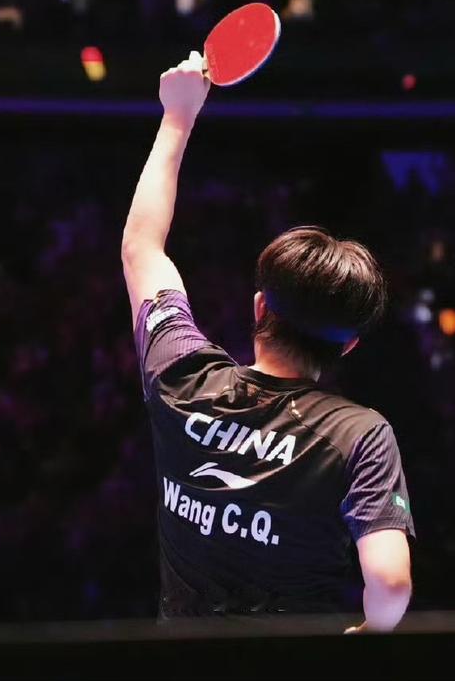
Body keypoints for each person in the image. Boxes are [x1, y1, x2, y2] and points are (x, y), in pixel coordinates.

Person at [121, 51, 415, 631]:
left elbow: (141, 248)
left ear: (260, 308)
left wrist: (178, 116)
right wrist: (371, 633)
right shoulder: (360, 435)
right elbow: (390, 581)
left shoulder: (182, 376)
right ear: (348, 345)